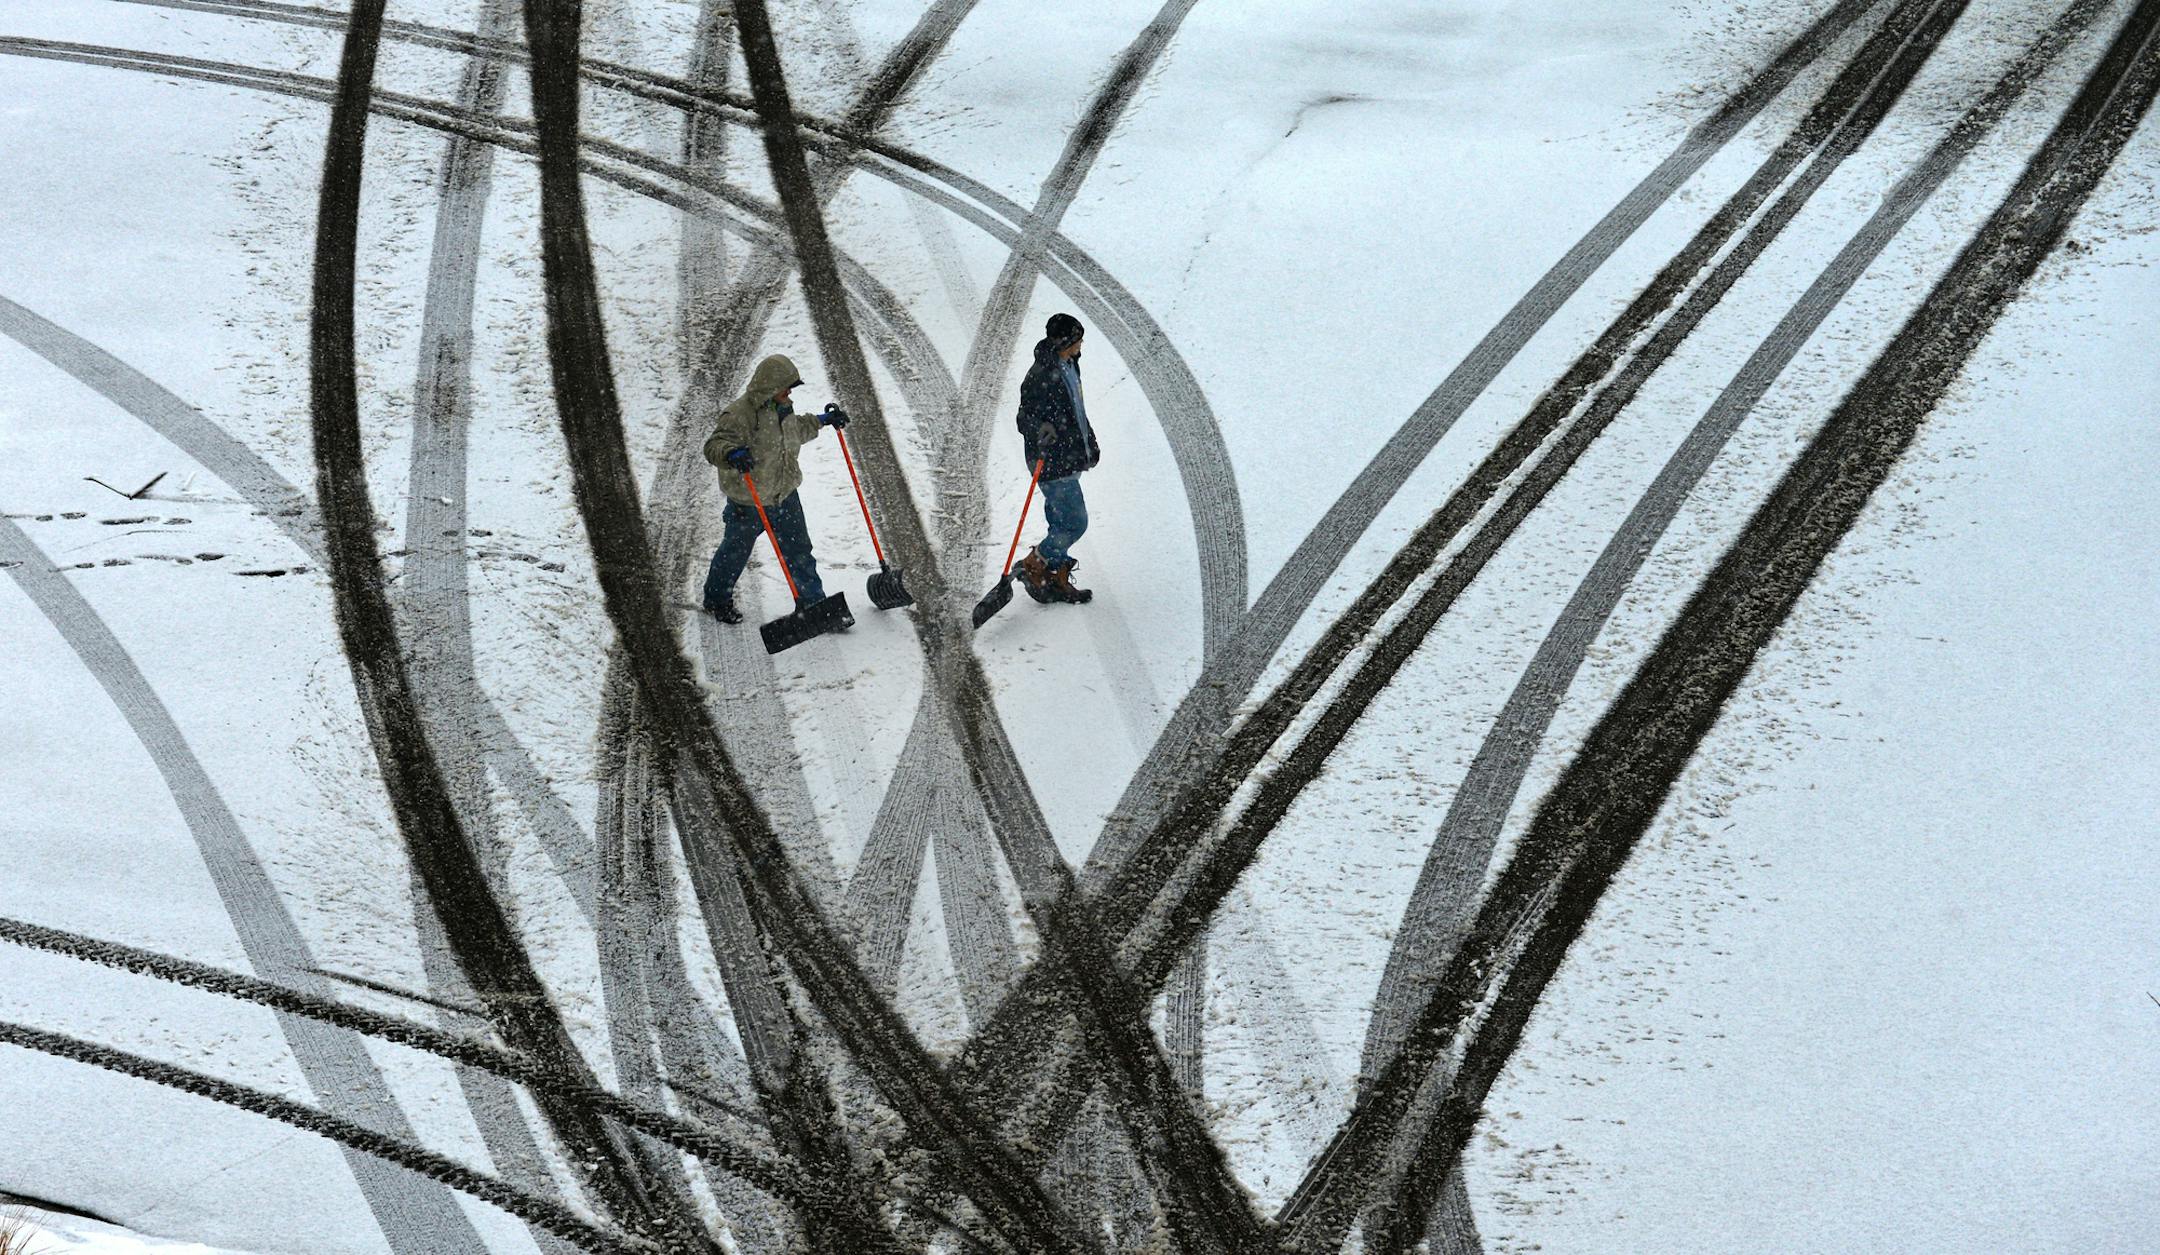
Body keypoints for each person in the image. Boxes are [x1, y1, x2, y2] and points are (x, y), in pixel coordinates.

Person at [700, 353, 849, 623]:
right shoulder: (740, 414)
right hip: (749, 501)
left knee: (799, 550)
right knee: (734, 552)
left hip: (785, 495)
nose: (789, 391)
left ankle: (813, 604)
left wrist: (823, 421)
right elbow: (713, 445)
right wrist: (731, 454)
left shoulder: (783, 409)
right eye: (786, 386)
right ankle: (717, 599)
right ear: (770, 386)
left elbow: (795, 431)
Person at [1014, 312, 1098, 605]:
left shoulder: (1070, 364)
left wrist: (1090, 442)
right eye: (1076, 340)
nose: (1081, 345)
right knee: (1074, 523)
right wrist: (1040, 428)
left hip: (1069, 456)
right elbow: (1024, 418)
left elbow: (1076, 408)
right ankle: (1034, 564)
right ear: (1064, 342)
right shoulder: (1040, 376)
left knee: (1060, 522)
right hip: (1050, 462)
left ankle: (1055, 576)